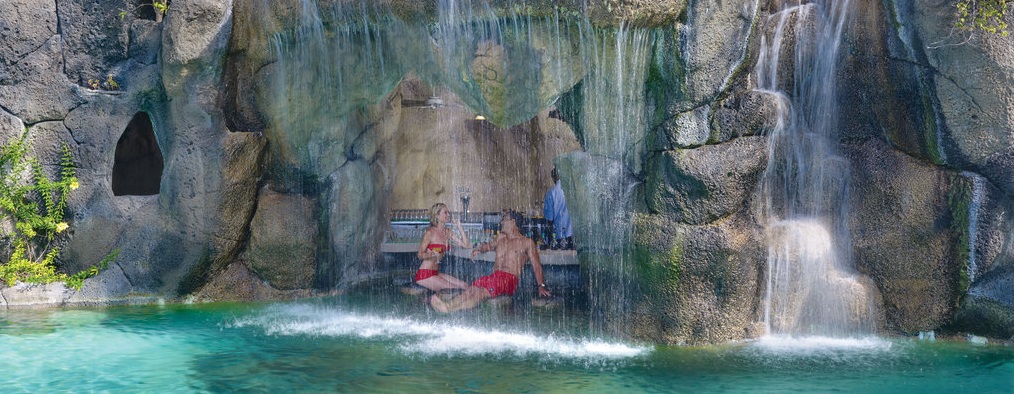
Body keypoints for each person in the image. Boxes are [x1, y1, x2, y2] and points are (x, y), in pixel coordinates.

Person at [430, 210, 552, 313]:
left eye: (505, 219)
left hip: (509, 279)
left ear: (513, 222)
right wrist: (478, 250)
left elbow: (536, 265)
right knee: (472, 289)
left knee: (481, 292)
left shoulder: (526, 242)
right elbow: (488, 246)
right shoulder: (500, 238)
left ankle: (449, 309)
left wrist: (541, 286)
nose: (502, 222)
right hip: (494, 277)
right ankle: (448, 305)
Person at [414, 203, 472, 292]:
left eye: (448, 212)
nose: (448, 215)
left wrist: (459, 226)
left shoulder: (447, 232)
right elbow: (420, 255)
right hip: (424, 275)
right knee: (455, 289)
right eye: (445, 212)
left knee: (464, 285)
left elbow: (466, 245)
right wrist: (431, 254)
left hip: (435, 273)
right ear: (437, 215)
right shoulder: (430, 233)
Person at [543, 167, 573, 249]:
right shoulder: (572, 191)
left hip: (558, 236)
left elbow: (549, 218)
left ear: (553, 178)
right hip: (573, 235)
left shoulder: (551, 193)